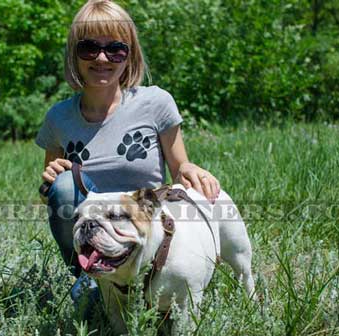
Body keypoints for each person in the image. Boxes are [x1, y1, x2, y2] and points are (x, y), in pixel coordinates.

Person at [35, 0, 220, 311]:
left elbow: (179, 169)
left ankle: (148, 274)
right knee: (66, 185)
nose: (102, 58)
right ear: (74, 55)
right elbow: (51, 198)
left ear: (129, 54)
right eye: (89, 48)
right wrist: (49, 182)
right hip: (92, 222)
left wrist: (190, 169)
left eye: (115, 49)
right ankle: (88, 273)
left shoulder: (156, 102)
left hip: (139, 221)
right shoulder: (59, 118)